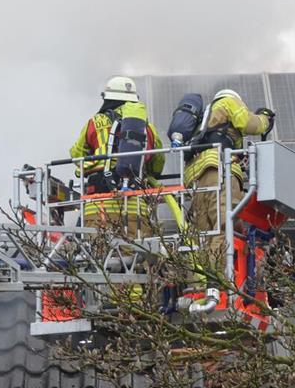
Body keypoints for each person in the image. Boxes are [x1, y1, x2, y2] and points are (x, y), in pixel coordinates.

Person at [185, 89, 274, 272]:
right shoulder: (228, 101)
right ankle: (220, 284)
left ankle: (203, 285)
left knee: (203, 235)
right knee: (226, 227)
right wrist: (265, 119)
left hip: (197, 179)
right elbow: (249, 123)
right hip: (221, 171)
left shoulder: (202, 119)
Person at [69, 76, 164, 238]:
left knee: (100, 259)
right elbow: (158, 163)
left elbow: (77, 155)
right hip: (136, 206)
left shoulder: (94, 122)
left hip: (98, 206)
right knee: (136, 258)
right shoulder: (147, 127)